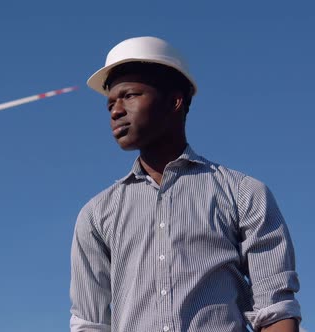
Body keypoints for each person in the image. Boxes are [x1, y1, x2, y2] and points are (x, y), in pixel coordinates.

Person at [69, 36, 301, 332]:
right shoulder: (95, 215)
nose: (115, 111)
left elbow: (276, 311)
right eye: (110, 103)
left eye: (130, 95)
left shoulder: (243, 194)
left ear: (174, 101)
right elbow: (90, 323)